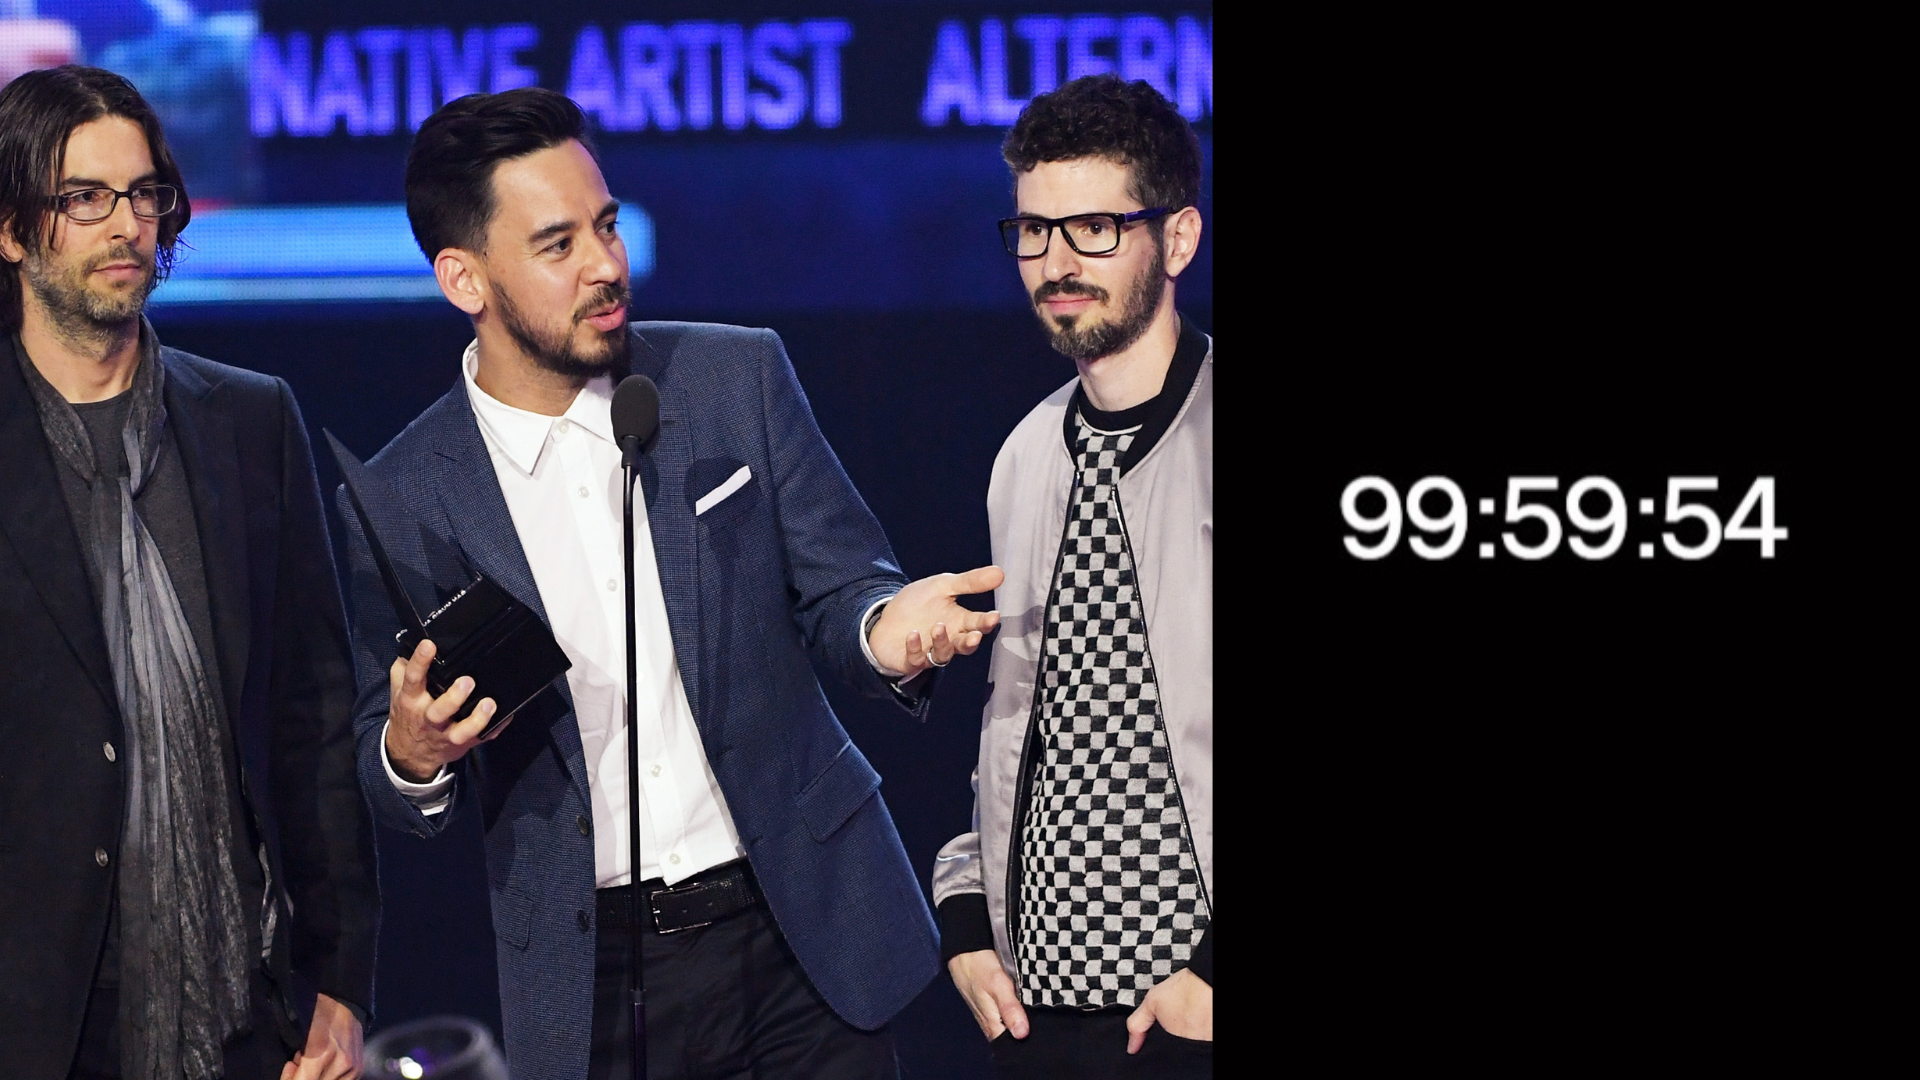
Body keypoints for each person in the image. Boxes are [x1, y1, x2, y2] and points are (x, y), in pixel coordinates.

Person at [341, 86, 1001, 1080]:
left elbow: (842, 593)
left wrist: (883, 628)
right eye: (558, 244)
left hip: (799, 927)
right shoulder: (400, 496)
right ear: (464, 279)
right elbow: (380, 766)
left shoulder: (732, 380)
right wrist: (412, 751)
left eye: (605, 225)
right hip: (598, 966)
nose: (607, 265)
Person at [0, 66, 376, 1080]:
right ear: (12, 229)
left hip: (238, 1006)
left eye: (144, 194)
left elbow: (314, 718)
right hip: (40, 1015)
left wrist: (340, 982)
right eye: (84, 198)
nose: (126, 224)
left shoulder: (251, 423)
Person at [931, 74, 1214, 1078]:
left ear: (1176, 240)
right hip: (1043, 1020)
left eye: (1095, 228)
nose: (1055, 263)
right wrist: (966, 919)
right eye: (1033, 231)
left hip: (1189, 1012)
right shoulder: (1025, 456)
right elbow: (1017, 722)